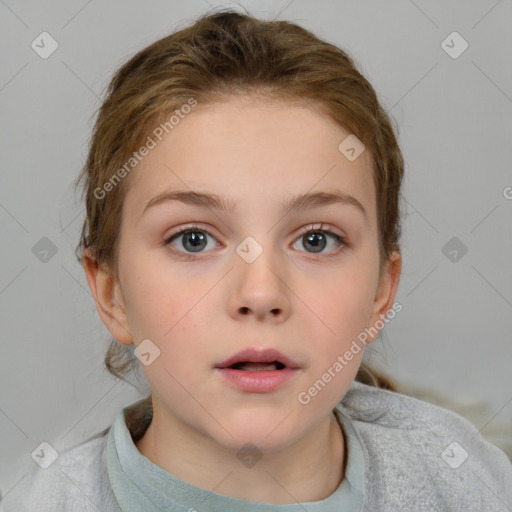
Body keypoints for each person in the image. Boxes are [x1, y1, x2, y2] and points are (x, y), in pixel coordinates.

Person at [2, 8, 511, 511]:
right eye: (194, 239)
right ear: (111, 293)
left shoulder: (467, 481)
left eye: (317, 240)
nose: (261, 293)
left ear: (382, 291)